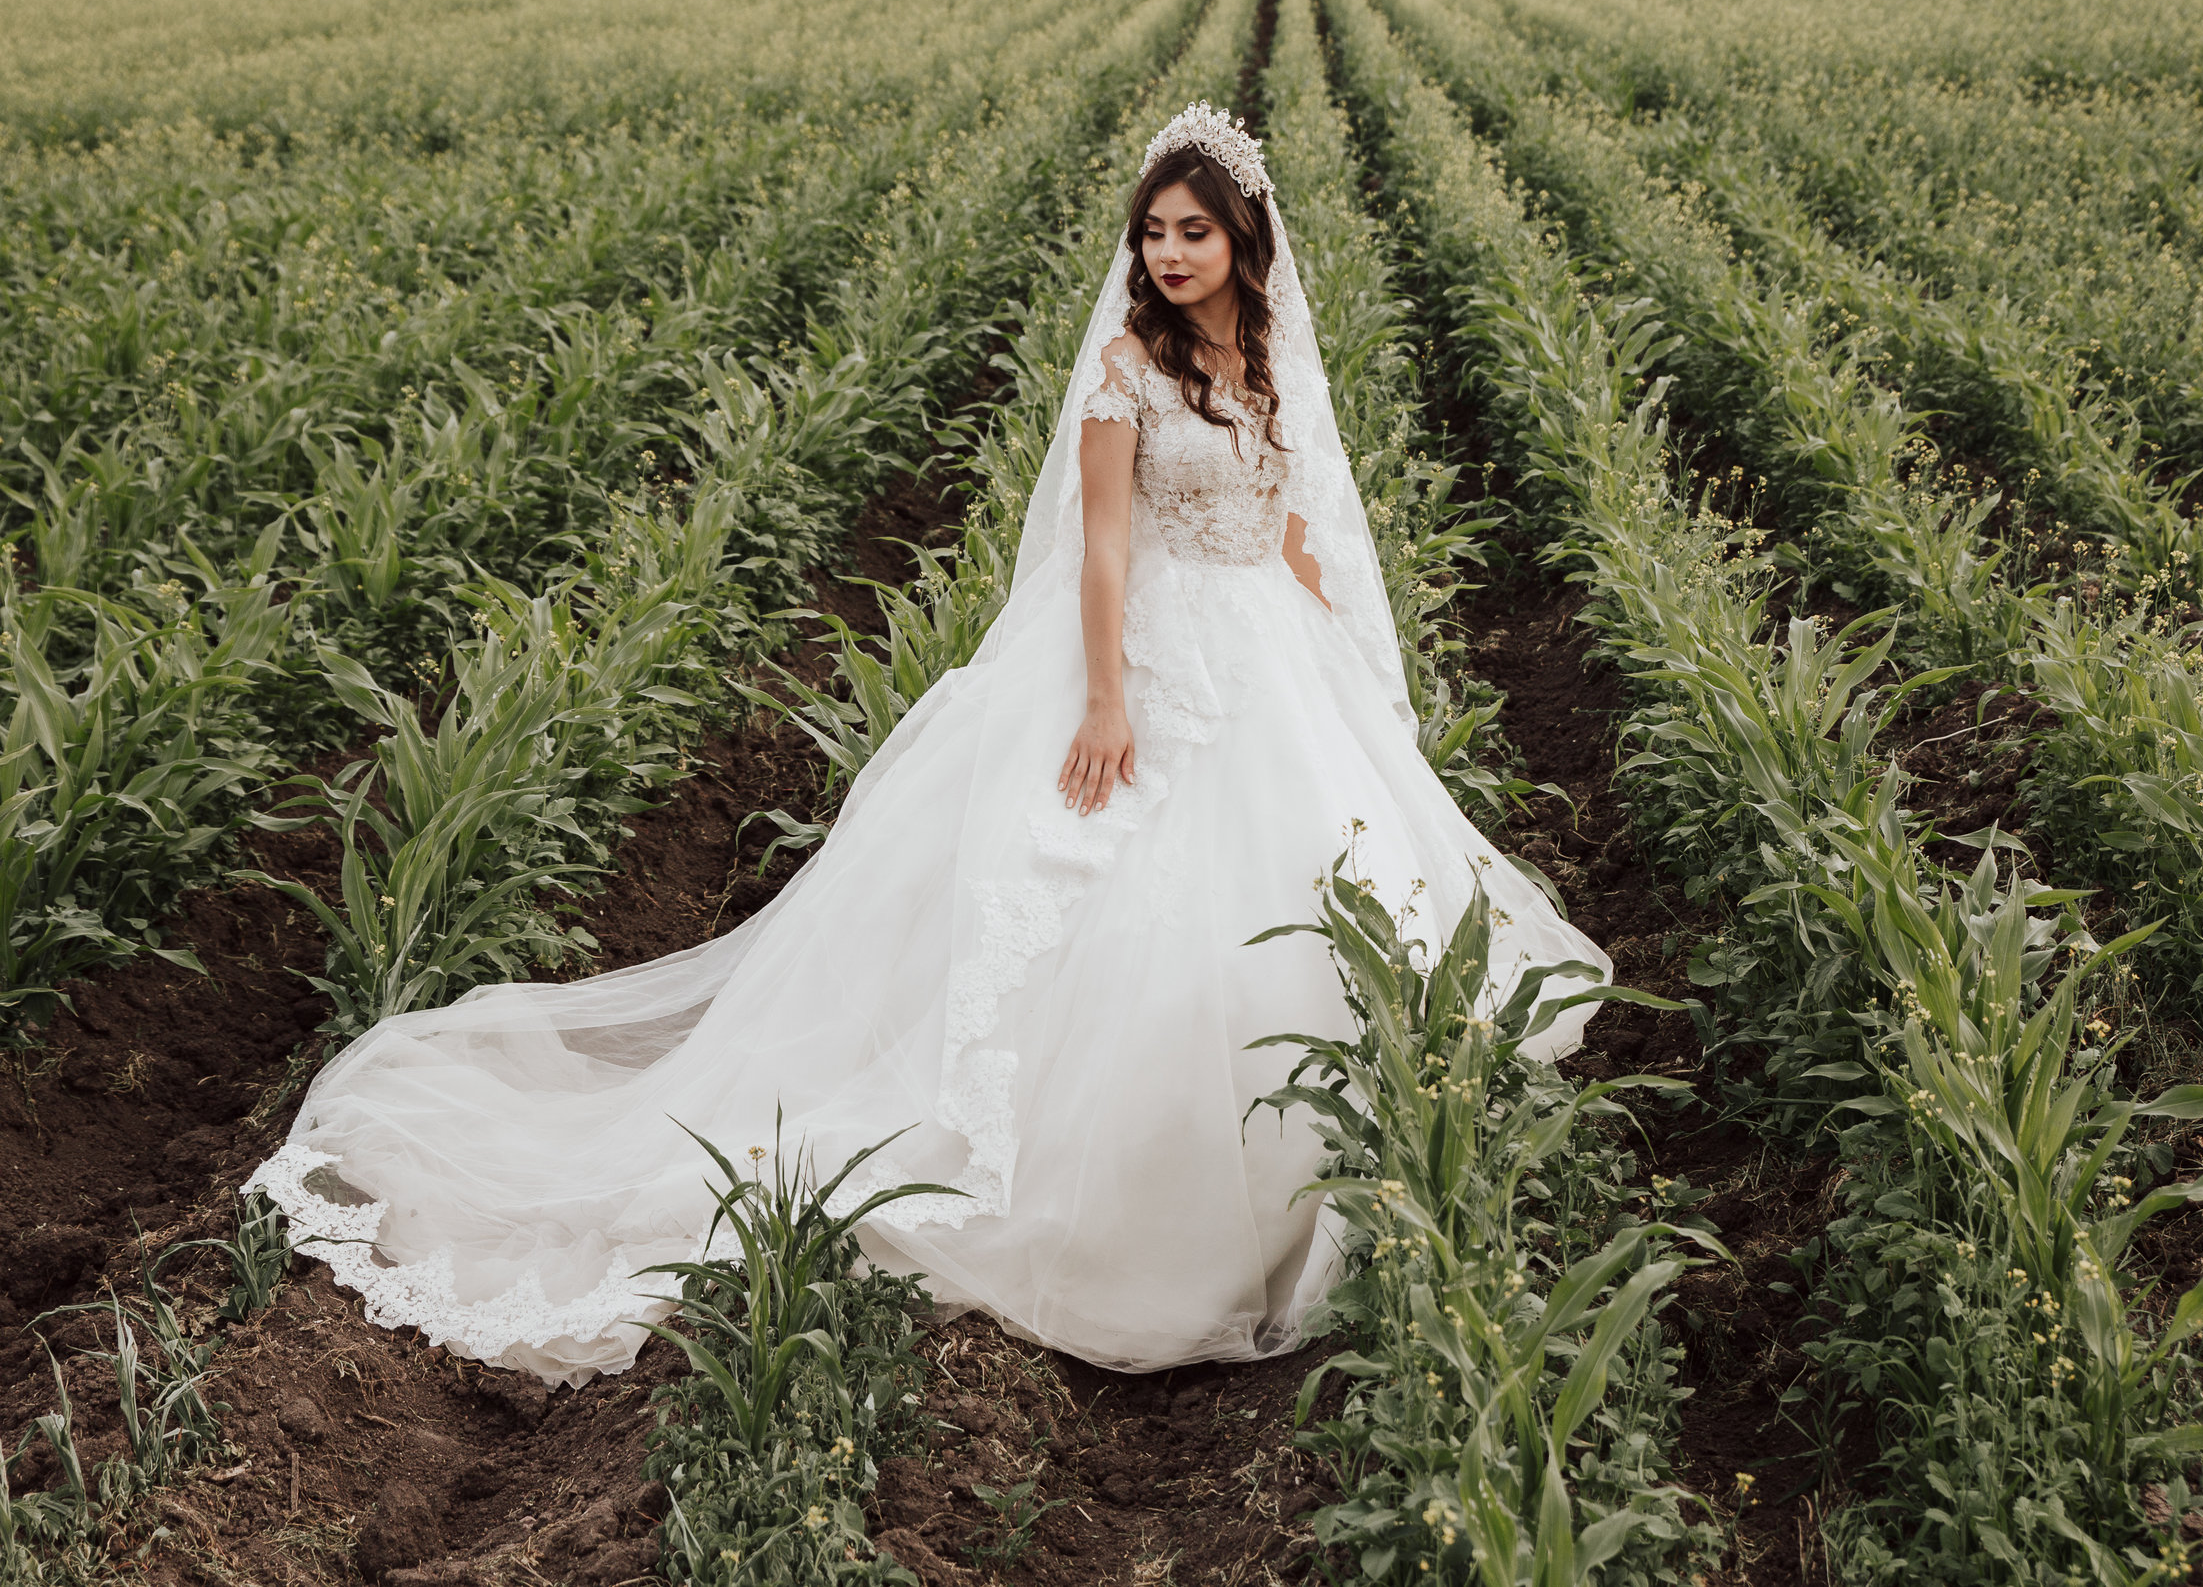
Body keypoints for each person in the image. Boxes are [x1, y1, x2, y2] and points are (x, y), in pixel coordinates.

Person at [244, 102, 1612, 1388]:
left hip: (1270, 652)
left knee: (1323, 901)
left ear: (1245, 240)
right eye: (1154, 232)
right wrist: (1106, 699)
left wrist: (1347, 664)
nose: (1171, 253)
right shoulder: (1122, 371)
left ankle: (1323, 1169)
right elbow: (1103, 550)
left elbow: (1293, 523)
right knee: (1118, 914)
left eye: (1196, 231)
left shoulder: (1263, 366)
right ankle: (1120, 1202)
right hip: (1157, 651)